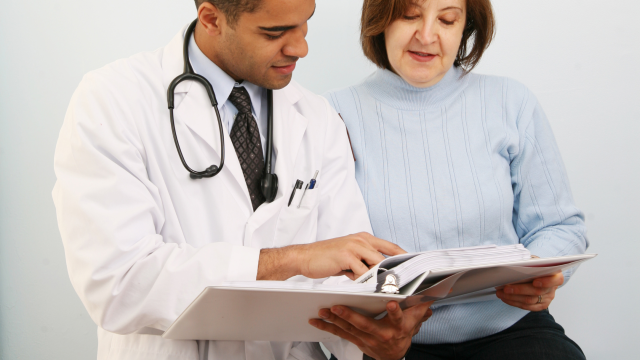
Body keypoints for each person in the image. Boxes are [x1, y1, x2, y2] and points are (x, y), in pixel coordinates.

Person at [52, 0, 433, 359]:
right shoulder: (113, 101)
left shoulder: (316, 117)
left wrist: (375, 341)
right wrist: (292, 260)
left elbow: (346, 280)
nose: (300, 48)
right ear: (211, 19)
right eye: (274, 32)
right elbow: (118, 284)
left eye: (305, 24)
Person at [316, 0, 588, 359]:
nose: (427, 36)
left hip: (510, 330)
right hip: (388, 338)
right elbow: (319, 253)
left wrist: (540, 277)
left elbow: (561, 226)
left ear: (465, 29)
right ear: (379, 20)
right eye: (409, 15)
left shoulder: (511, 102)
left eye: (447, 20)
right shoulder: (331, 114)